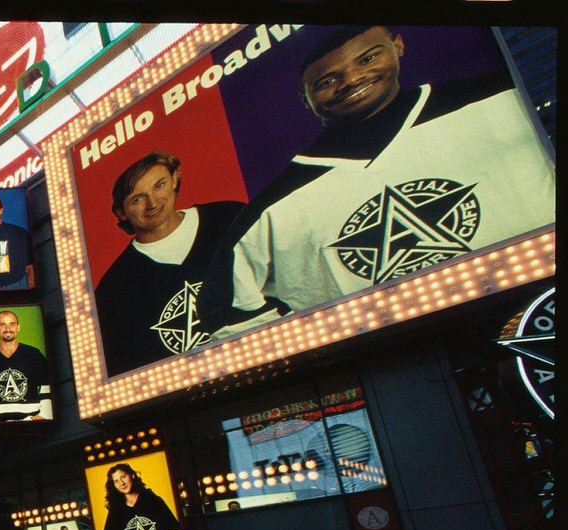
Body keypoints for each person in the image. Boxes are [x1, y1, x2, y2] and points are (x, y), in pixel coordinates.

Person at [198, 25, 556, 339]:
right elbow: (223, 313)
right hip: (407, 363)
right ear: (304, 100)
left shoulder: (502, 97)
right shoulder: (271, 208)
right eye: (326, 81)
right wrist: (333, 341)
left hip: (543, 305)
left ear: (397, 46)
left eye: (367, 59)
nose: (351, 81)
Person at [93, 151, 244, 375]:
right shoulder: (112, 289)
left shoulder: (230, 217)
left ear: (175, 178)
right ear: (121, 212)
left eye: (159, 185)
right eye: (137, 198)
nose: (152, 203)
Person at [0, 310, 53, 422]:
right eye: (3, 325)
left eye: (12, 324)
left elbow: (48, 387)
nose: (8, 329)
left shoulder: (34, 354)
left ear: (18, 327)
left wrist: (42, 415)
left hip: (32, 423)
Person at [100, 463, 183, 530]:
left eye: (123, 477)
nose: (122, 483)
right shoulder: (116, 509)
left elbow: (172, 525)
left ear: (132, 475)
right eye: (116, 481)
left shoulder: (152, 499)